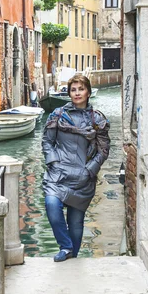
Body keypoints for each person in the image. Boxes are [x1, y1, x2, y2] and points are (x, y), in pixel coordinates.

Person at [42, 74, 110, 262]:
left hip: (83, 177)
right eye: (73, 89)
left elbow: (103, 150)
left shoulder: (97, 119)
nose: (77, 93)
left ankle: (73, 259)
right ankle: (66, 246)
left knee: (75, 222)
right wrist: (54, 163)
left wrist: (89, 171)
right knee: (51, 205)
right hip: (58, 175)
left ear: (88, 92)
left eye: (81, 89)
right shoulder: (57, 115)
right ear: (69, 93)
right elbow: (47, 142)